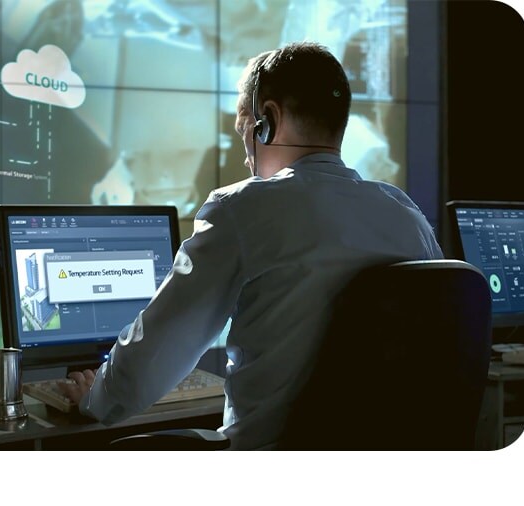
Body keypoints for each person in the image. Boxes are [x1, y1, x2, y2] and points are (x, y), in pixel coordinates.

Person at [60, 41, 443, 450]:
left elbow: (154, 356)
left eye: (244, 127)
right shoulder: (406, 214)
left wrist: (97, 398)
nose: (245, 153)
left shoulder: (242, 208)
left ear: (268, 121)